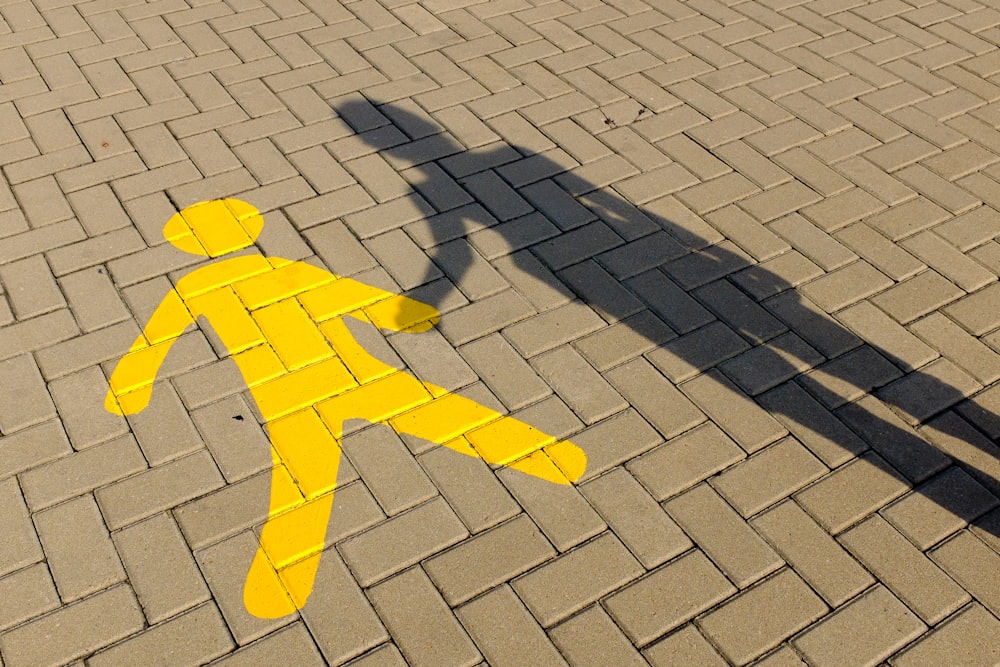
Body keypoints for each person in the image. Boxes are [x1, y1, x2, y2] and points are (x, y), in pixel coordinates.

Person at [104, 198, 587, 618]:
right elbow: (346, 297)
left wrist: (131, 387)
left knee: (303, 482)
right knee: (437, 412)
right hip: (347, 371)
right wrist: (407, 315)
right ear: (248, 229)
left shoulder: (197, 286)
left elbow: (155, 341)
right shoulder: (278, 269)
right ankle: (545, 457)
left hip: (288, 391)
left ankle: (279, 580)